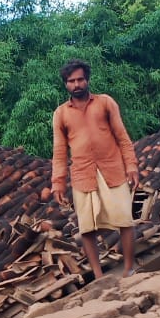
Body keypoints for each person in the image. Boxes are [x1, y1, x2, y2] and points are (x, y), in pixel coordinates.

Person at [50, 59, 139, 279]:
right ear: (66, 84)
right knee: (87, 228)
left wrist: (131, 166)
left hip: (112, 169)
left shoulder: (105, 102)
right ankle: (99, 276)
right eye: (71, 81)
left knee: (125, 219)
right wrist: (58, 182)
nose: (77, 84)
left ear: (87, 80)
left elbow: (122, 137)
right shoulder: (61, 114)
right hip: (82, 174)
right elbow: (60, 151)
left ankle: (130, 267)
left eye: (80, 79)